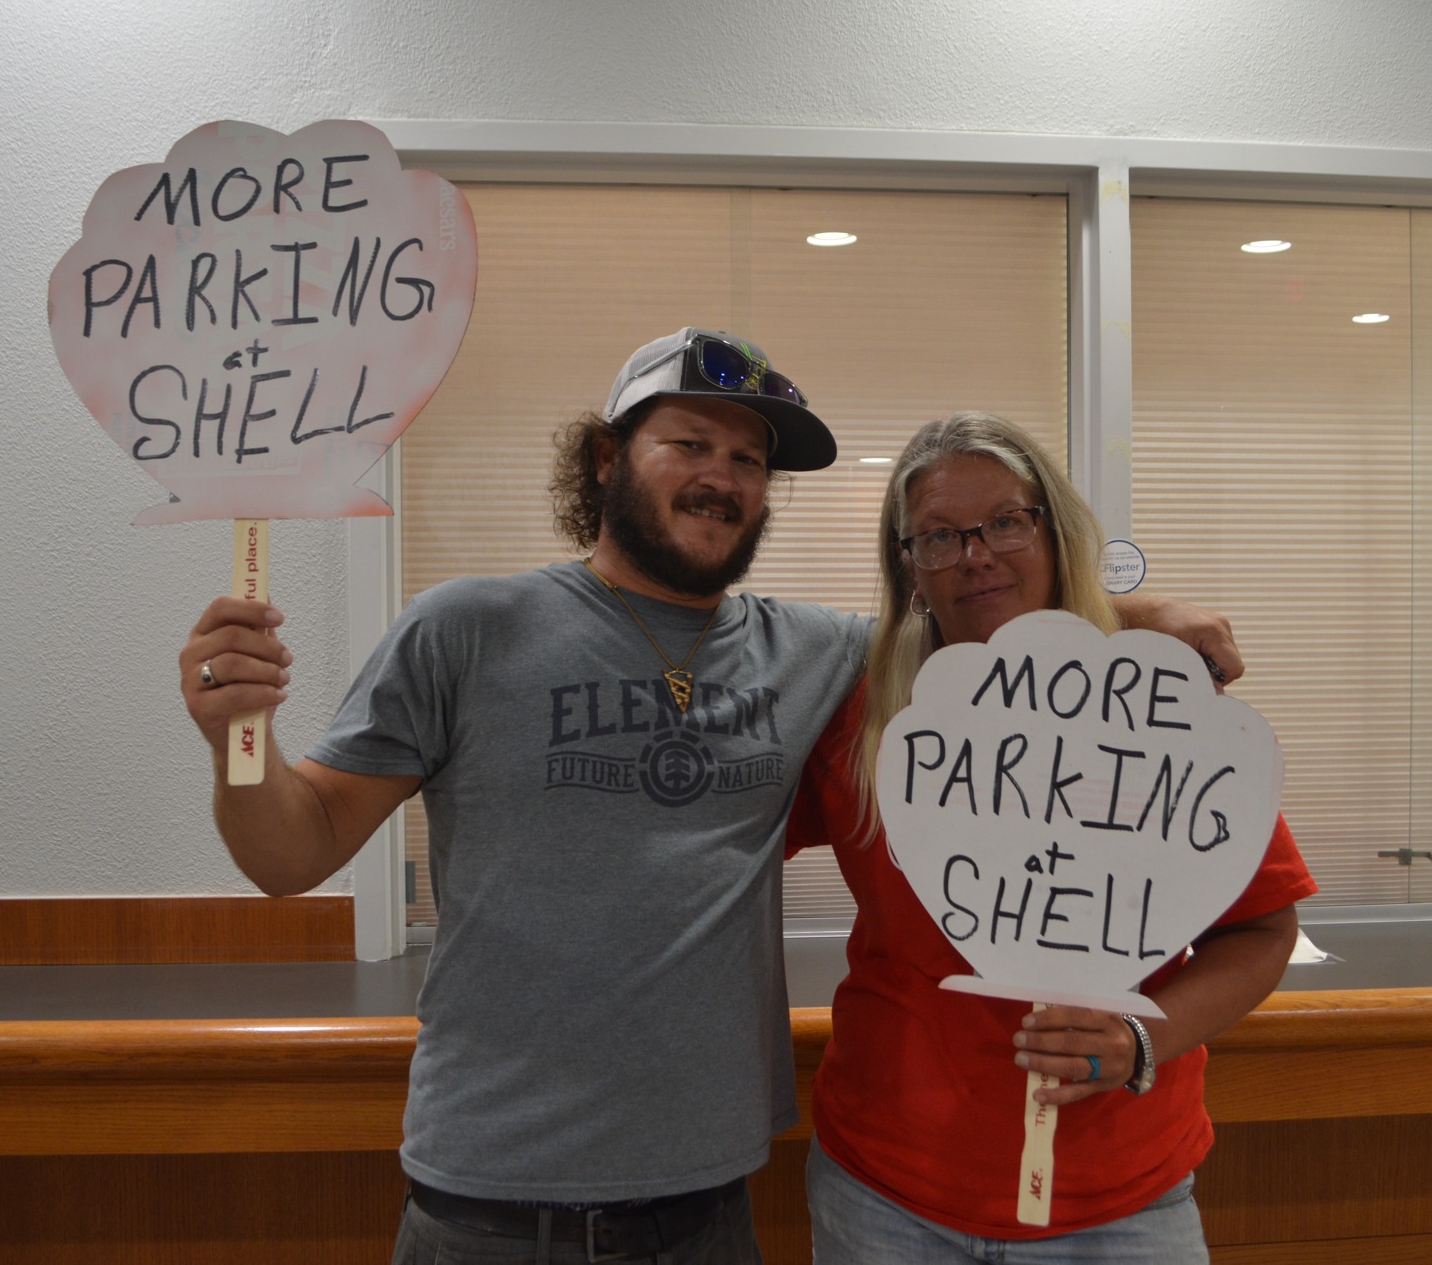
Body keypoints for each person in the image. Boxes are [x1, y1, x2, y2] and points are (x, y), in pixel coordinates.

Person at [178, 332, 1249, 1265]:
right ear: (607, 459)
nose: (722, 476)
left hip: (704, 1201)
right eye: (688, 443)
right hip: (487, 1200)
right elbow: (293, 851)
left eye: (747, 459)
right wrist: (239, 737)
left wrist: (1135, 614)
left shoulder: (821, 654)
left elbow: (988, 621)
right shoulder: (465, 628)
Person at [785, 412, 1316, 1264]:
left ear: (1054, 531)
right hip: (886, 1191)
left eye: (1005, 521)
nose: (975, 553)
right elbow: (726, 832)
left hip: (1120, 1198)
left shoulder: (1155, 715)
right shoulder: (864, 718)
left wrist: (1145, 1038)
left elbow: (1263, 930)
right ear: (910, 566)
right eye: (939, 535)